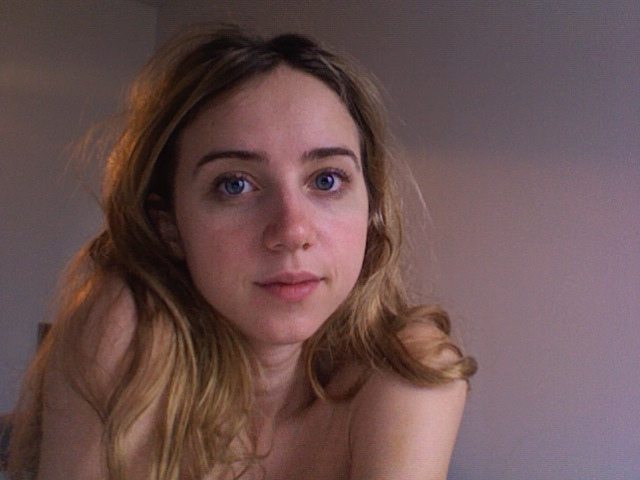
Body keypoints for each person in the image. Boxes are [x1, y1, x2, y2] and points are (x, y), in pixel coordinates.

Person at [8, 25, 477, 480]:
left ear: (371, 208)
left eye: (327, 179)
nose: (292, 231)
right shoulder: (120, 332)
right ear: (169, 226)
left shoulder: (406, 366)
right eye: (234, 185)